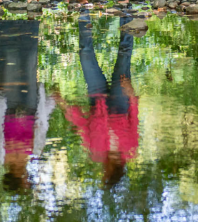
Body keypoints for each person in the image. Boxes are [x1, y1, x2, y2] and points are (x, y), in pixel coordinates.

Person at [56, 15, 139, 188]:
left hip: (97, 99)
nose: (103, 170)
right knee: (124, 53)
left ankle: (84, 15)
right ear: (112, 171)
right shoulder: (129, 148)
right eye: (105, 174)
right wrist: (131, 94)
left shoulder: (96, 151)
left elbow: (82, 125)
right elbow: (134, 120)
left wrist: (63, 103)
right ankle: (126, 14)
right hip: (121, 102)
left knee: (85, 54)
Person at [0, 20, 55, 192]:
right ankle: (30, 25)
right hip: (31, 105)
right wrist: (51, 102)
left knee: (7, 60)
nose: (28, 181)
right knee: (29, 62)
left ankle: (2, 25)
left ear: (17, 180)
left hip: (7, 106)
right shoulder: (35, 155)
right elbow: (42, 126)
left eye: (25, 183)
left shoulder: (1, 157)